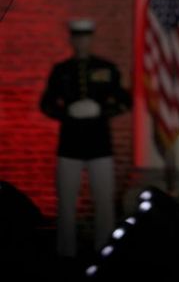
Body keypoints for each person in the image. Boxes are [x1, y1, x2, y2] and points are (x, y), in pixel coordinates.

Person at [40, 19, 132, 258]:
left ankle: (105, 249)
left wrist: (101, 111)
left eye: (85, 37)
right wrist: (65, 113)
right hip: (69, 145)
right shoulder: (61, 70)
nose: (81, 42)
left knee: (104, 202)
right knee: (66, 203)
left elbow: (125, 101)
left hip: (99, 144)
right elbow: (46, 104)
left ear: (91, 39)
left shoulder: (107, 68)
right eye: (77, 38)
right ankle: (65, 252)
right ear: (72, 40)